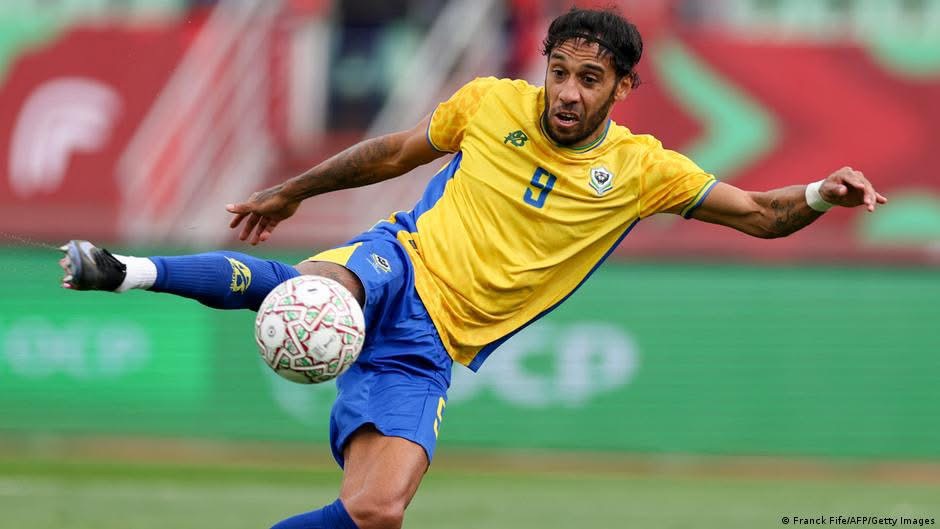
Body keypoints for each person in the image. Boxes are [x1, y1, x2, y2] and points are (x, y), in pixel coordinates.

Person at [58, 7, 886, 529]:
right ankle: (122, 269)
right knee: (320, 292)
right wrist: (293, 189)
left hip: (433, 345)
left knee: (377, 511)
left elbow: (762, 214)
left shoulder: (643, 170)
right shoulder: (491, 102)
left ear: (623, 89)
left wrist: (821, 191)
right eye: (558, 72)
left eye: (589, 79)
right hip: (398, 260)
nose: (566, 93)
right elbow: (392, 151)